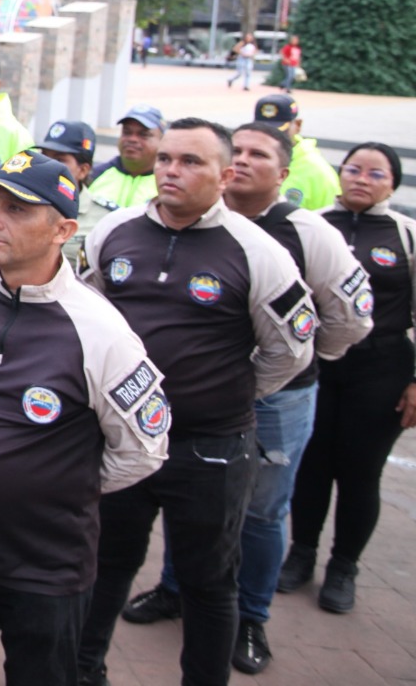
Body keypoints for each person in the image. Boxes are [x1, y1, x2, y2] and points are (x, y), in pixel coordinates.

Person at [123, 121, 371, 674]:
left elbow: (347, 321)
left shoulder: (305, 233)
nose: (246, 161)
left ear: (281, 174)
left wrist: (255, 377)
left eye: (260, 155)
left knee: (258, 514)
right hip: (184, 412)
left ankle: (252, 618)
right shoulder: (158, 228)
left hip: (273, 396)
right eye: (241, 150)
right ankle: (172, 591)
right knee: (195, 517)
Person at [76, 118, 317, 686]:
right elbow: (85, 317)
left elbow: (291, 352)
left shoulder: (259, 251)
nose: (171, 171)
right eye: (166, 159)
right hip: (125, 443)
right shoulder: (114, 232)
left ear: (225, 174)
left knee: (210, 581)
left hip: (209, 447)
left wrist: (226, 393)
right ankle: (84, 672)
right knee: (105, 566)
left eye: (190, 162)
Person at [0, 153, 169, 686]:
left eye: (16, 209)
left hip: (44, 566)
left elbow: (144, 449)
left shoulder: (101, 331)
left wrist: (60, 484)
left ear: (64, 229)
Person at [281, 143, 416, 616]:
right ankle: (301, 554)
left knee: (361, 472)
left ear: (393, 184)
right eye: (353, 169)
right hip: (317, 362)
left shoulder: (405, 234)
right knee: (311, 464)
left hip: (382, 367)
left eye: (375, 173)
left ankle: (344, 566)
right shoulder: (314, 225)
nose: (361, 178)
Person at [34, 120, 111, 268]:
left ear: (83, 170)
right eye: (44, 157)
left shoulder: (103, 218)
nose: (48, 165)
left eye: (59, 160)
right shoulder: (23, 204)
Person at [254, 94, 339, 209]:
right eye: (263, 131)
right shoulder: (245, 160)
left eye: (279, 132)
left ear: (298, 125)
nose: (270, 138)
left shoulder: (318, 173)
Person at [88, 106, 164, 211]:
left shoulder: (167, 182)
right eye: (127, 132)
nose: (132, 139)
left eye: (143, 134)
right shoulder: (93, 175)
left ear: (162, 140)